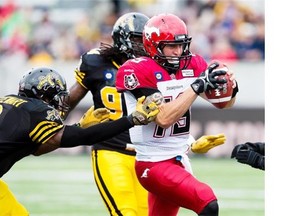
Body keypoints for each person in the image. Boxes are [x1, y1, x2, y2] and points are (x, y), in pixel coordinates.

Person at [115, 13, 239, 216]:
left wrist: (229, 86)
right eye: (171, 46)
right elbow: (163, 119)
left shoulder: (191, 64)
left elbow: (224, 104)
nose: (178, 51)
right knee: (207, 201)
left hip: (179, 158)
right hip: (153, 163)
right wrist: (197, 85)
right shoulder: (137, 69)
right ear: (153, 45)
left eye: (181, 45)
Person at [0, 67, 159, 215]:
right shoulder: (35, 111)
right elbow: (77, 138)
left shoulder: (8, 101)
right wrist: (131, 120)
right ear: (45, 96)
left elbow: (38, 149)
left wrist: (78, 126)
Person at [67, 12, 150, 216]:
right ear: (123, 38)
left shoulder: (154, 65)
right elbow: (69, 100)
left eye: (145, 40)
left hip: (147, 154)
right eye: (137, 40)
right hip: (110, 150)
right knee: (125, 212)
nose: (143, 46)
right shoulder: (96, 62)